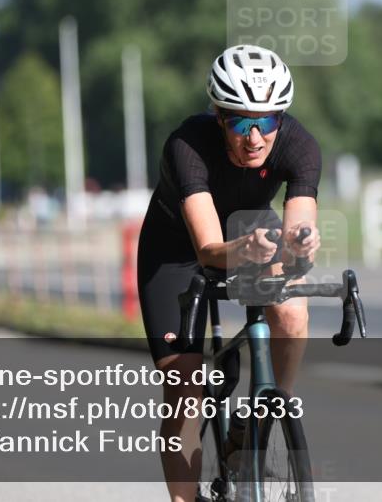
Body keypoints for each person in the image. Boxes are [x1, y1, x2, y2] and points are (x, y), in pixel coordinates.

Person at [137, 45, 322, 501]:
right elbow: (208, 248)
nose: (255, 136)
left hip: (250, 228)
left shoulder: (300, 146)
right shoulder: (187, 145)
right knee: (185, 388)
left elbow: (299, 227)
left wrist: (301, 244)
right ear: (219, 117)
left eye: (268, 120)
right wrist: (244, 249)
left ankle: (266, 412)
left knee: (293, 311)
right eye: (241, 122)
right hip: (176, 249)